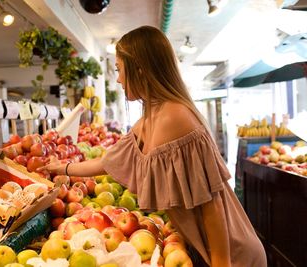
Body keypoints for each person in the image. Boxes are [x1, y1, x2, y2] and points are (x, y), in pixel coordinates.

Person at [41, 26, 267, 267]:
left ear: (139, 69)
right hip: (209, 250)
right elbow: (108, 161)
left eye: (119, 70)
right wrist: (62, 168)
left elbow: (210, 202)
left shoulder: (174, 116)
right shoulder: (153, 116)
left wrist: (222, 262)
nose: (117, 79)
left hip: (233, 253)